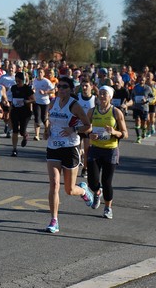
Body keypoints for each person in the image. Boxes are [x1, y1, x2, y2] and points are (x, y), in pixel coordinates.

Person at [44, 76, 93, 233]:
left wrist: (74, 130)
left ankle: (84, 191)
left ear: (71, 90)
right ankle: (54, 220)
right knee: (54, 183)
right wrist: (46, 129)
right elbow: (49, 120)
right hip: (53, 146)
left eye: (65, 87)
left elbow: (88, 126)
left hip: (70, 148)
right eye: (59, 86)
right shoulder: (52, 103)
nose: (61, 89)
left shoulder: (75, 106)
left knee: (69, 190)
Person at [87, 85, 128, 219]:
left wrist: (114, 132)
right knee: (92, 181)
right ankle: (97, 192)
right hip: (95, 149)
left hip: (110, 150)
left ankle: (108, 208)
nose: (102, 96)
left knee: (107, 182)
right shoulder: (92, 112)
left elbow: (125, 133)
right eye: (101, 93)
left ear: (110, 97)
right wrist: (90, 135)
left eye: (105, 94)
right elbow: (86, 129)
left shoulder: (116, 112)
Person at [9, 72, 35, 157]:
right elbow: (11, 100)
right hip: (15, 111)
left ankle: (25, 135)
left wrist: (27, 101)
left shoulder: (27, 88)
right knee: (15, 130)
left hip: (25, 112)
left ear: (23, 80)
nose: (18, 82)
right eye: (16, 80)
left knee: (22, 131)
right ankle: (14, 149)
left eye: (19, 81)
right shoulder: (13, 88)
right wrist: (10, 113)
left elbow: (34, 100)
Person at [32, 68, 55, 141]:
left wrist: (45, 92)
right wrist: (33, 90)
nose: (40, 74)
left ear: (44, 74)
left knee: (44, 118)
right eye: (38, 72)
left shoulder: (46, 81)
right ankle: (36, 135)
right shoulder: (34, 81)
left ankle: (46, 130)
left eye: (41, 72)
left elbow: (53, 90)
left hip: (45, 102)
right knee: (36, 118)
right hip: (36, 102)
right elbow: (32, 88)